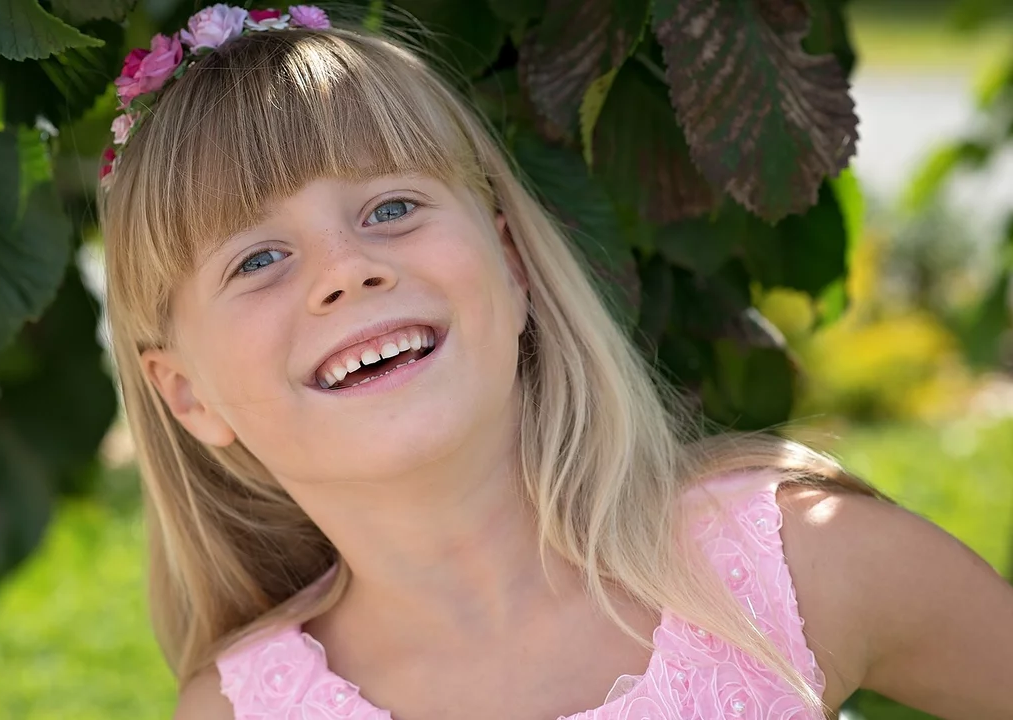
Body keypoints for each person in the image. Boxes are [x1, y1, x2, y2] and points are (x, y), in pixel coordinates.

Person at [96, 5, 1013, 719]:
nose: (347, 270)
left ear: (513, 265)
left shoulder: (791, 563)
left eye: (392, 209)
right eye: (258, 259)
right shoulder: (239, 709)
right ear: (186, 395)